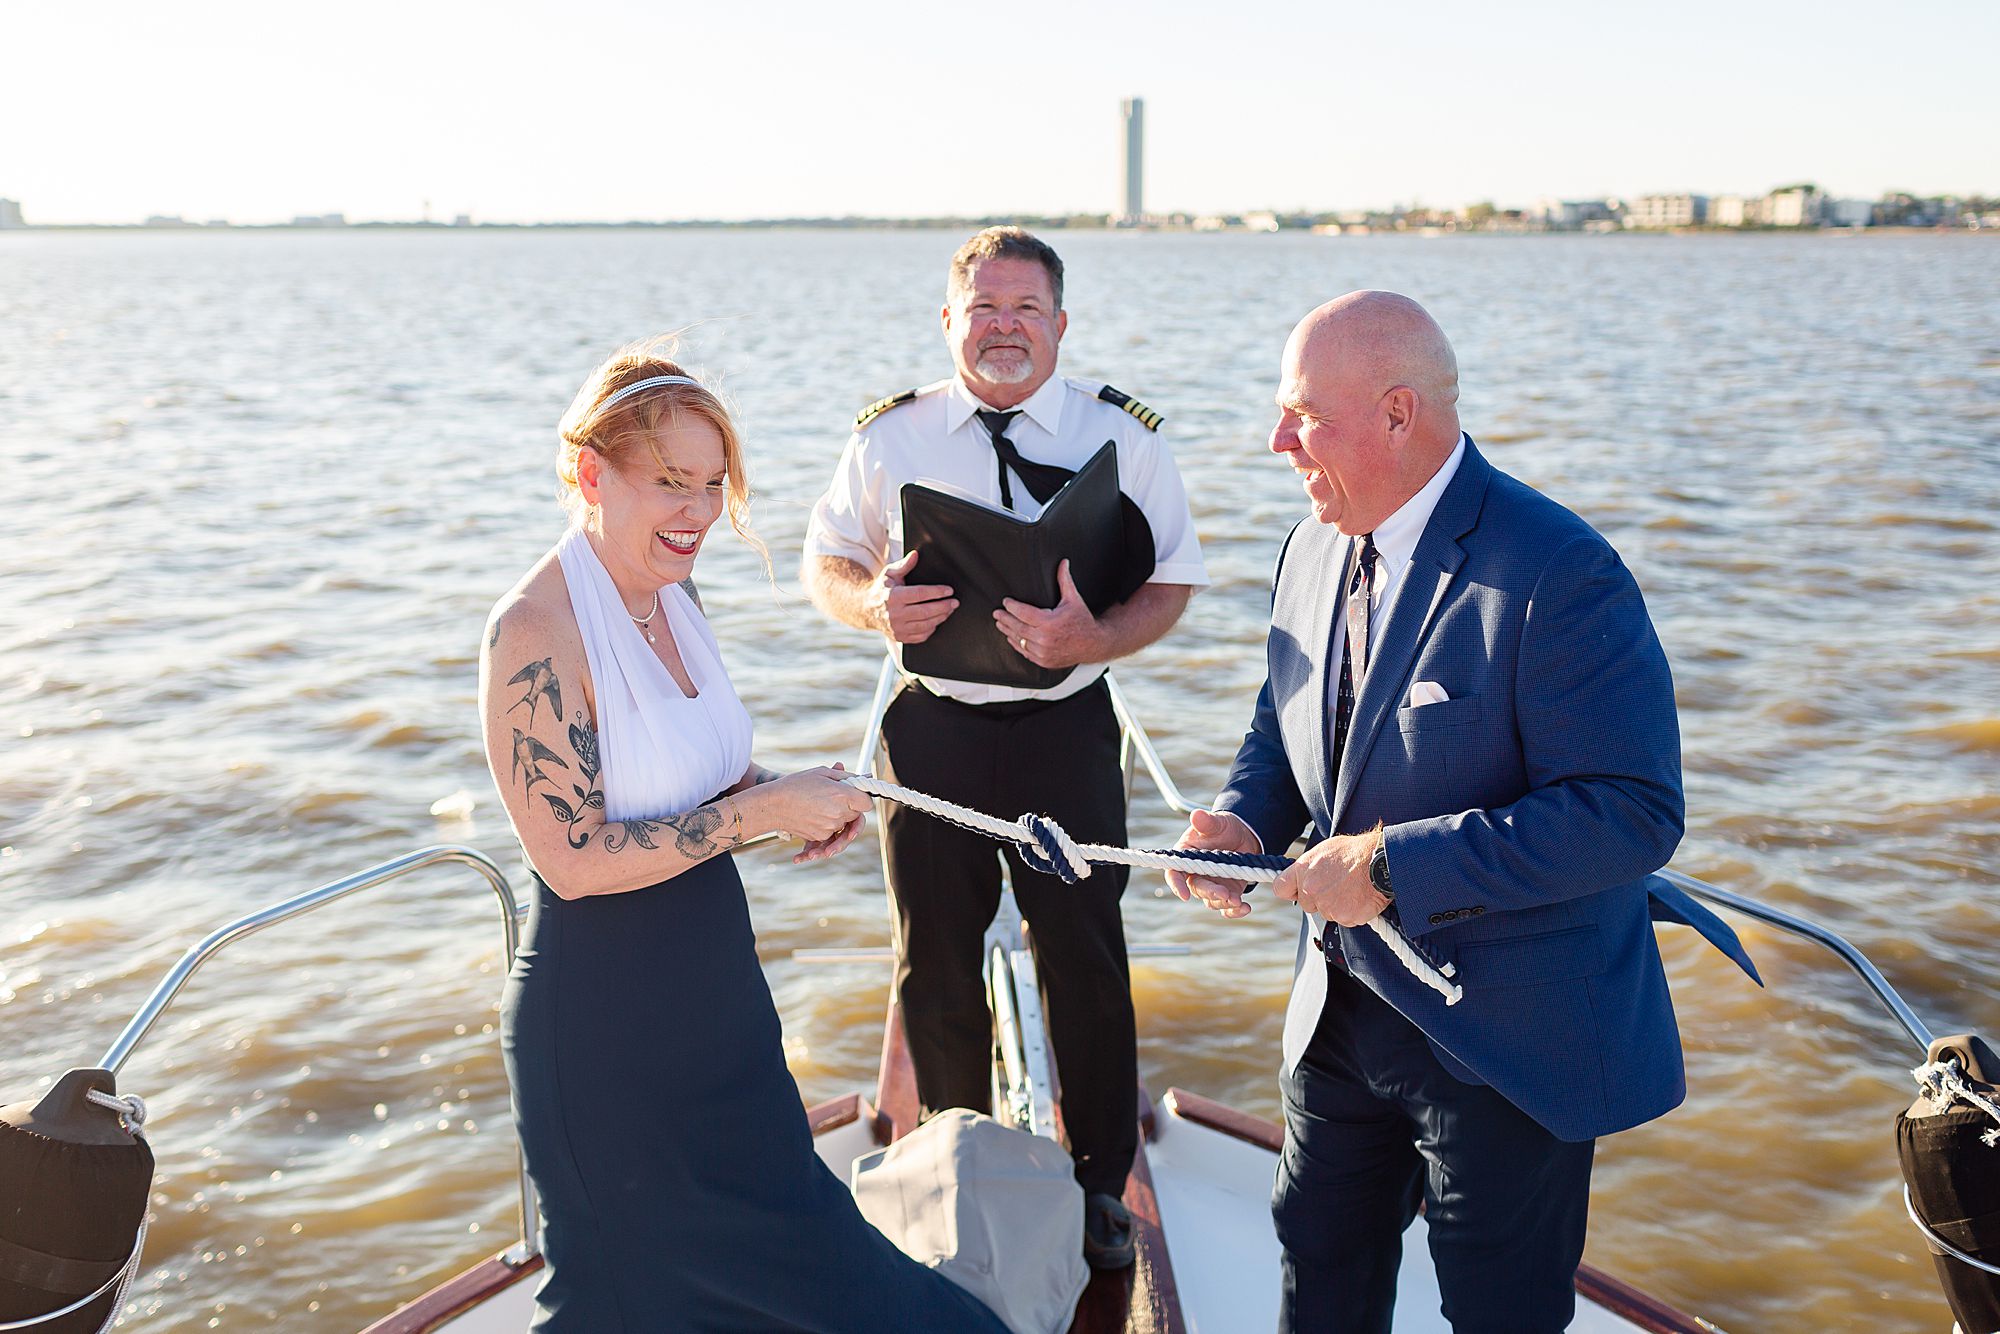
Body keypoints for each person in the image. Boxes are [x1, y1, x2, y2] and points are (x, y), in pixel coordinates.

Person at [1168, 292, 1761, 1332]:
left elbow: (1630, 812)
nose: (1273, 440)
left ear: (1398, 413)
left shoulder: (1557, 570)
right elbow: (1285, 711)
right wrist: (1242, 818)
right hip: (1338, 1010)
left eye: (1299, 413)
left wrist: (1394, 863)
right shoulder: (1309, 544)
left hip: (1507, 1040)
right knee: (1315, 1249)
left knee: (1496, 1306)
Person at [479, 341, 1006, 1332]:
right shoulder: (533, 632)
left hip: (717, 1008)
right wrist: (760, 814)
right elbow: (573, 857)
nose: (696, 513)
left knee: (822, 1272)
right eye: (670, 483)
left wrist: (794, 791)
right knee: (627, 1304)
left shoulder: (674, 595)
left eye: (714, 485)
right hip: (605, 1037)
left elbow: (699, 779)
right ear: (590, 473)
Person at [801, 227, 1208, 1269]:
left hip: (1067, 725)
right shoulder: (891, 437)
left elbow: (1169, 581)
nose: (1003, 327)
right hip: (931, 726)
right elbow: (826, 562)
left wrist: (1100, 637)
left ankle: (1099, 1185)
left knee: (1084, 958)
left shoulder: (1124, 439)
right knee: (931, 960)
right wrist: (869, 603)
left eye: (1025, 309)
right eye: (982, 308)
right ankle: (955, 1167)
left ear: (1060, 325)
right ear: (948, 322)